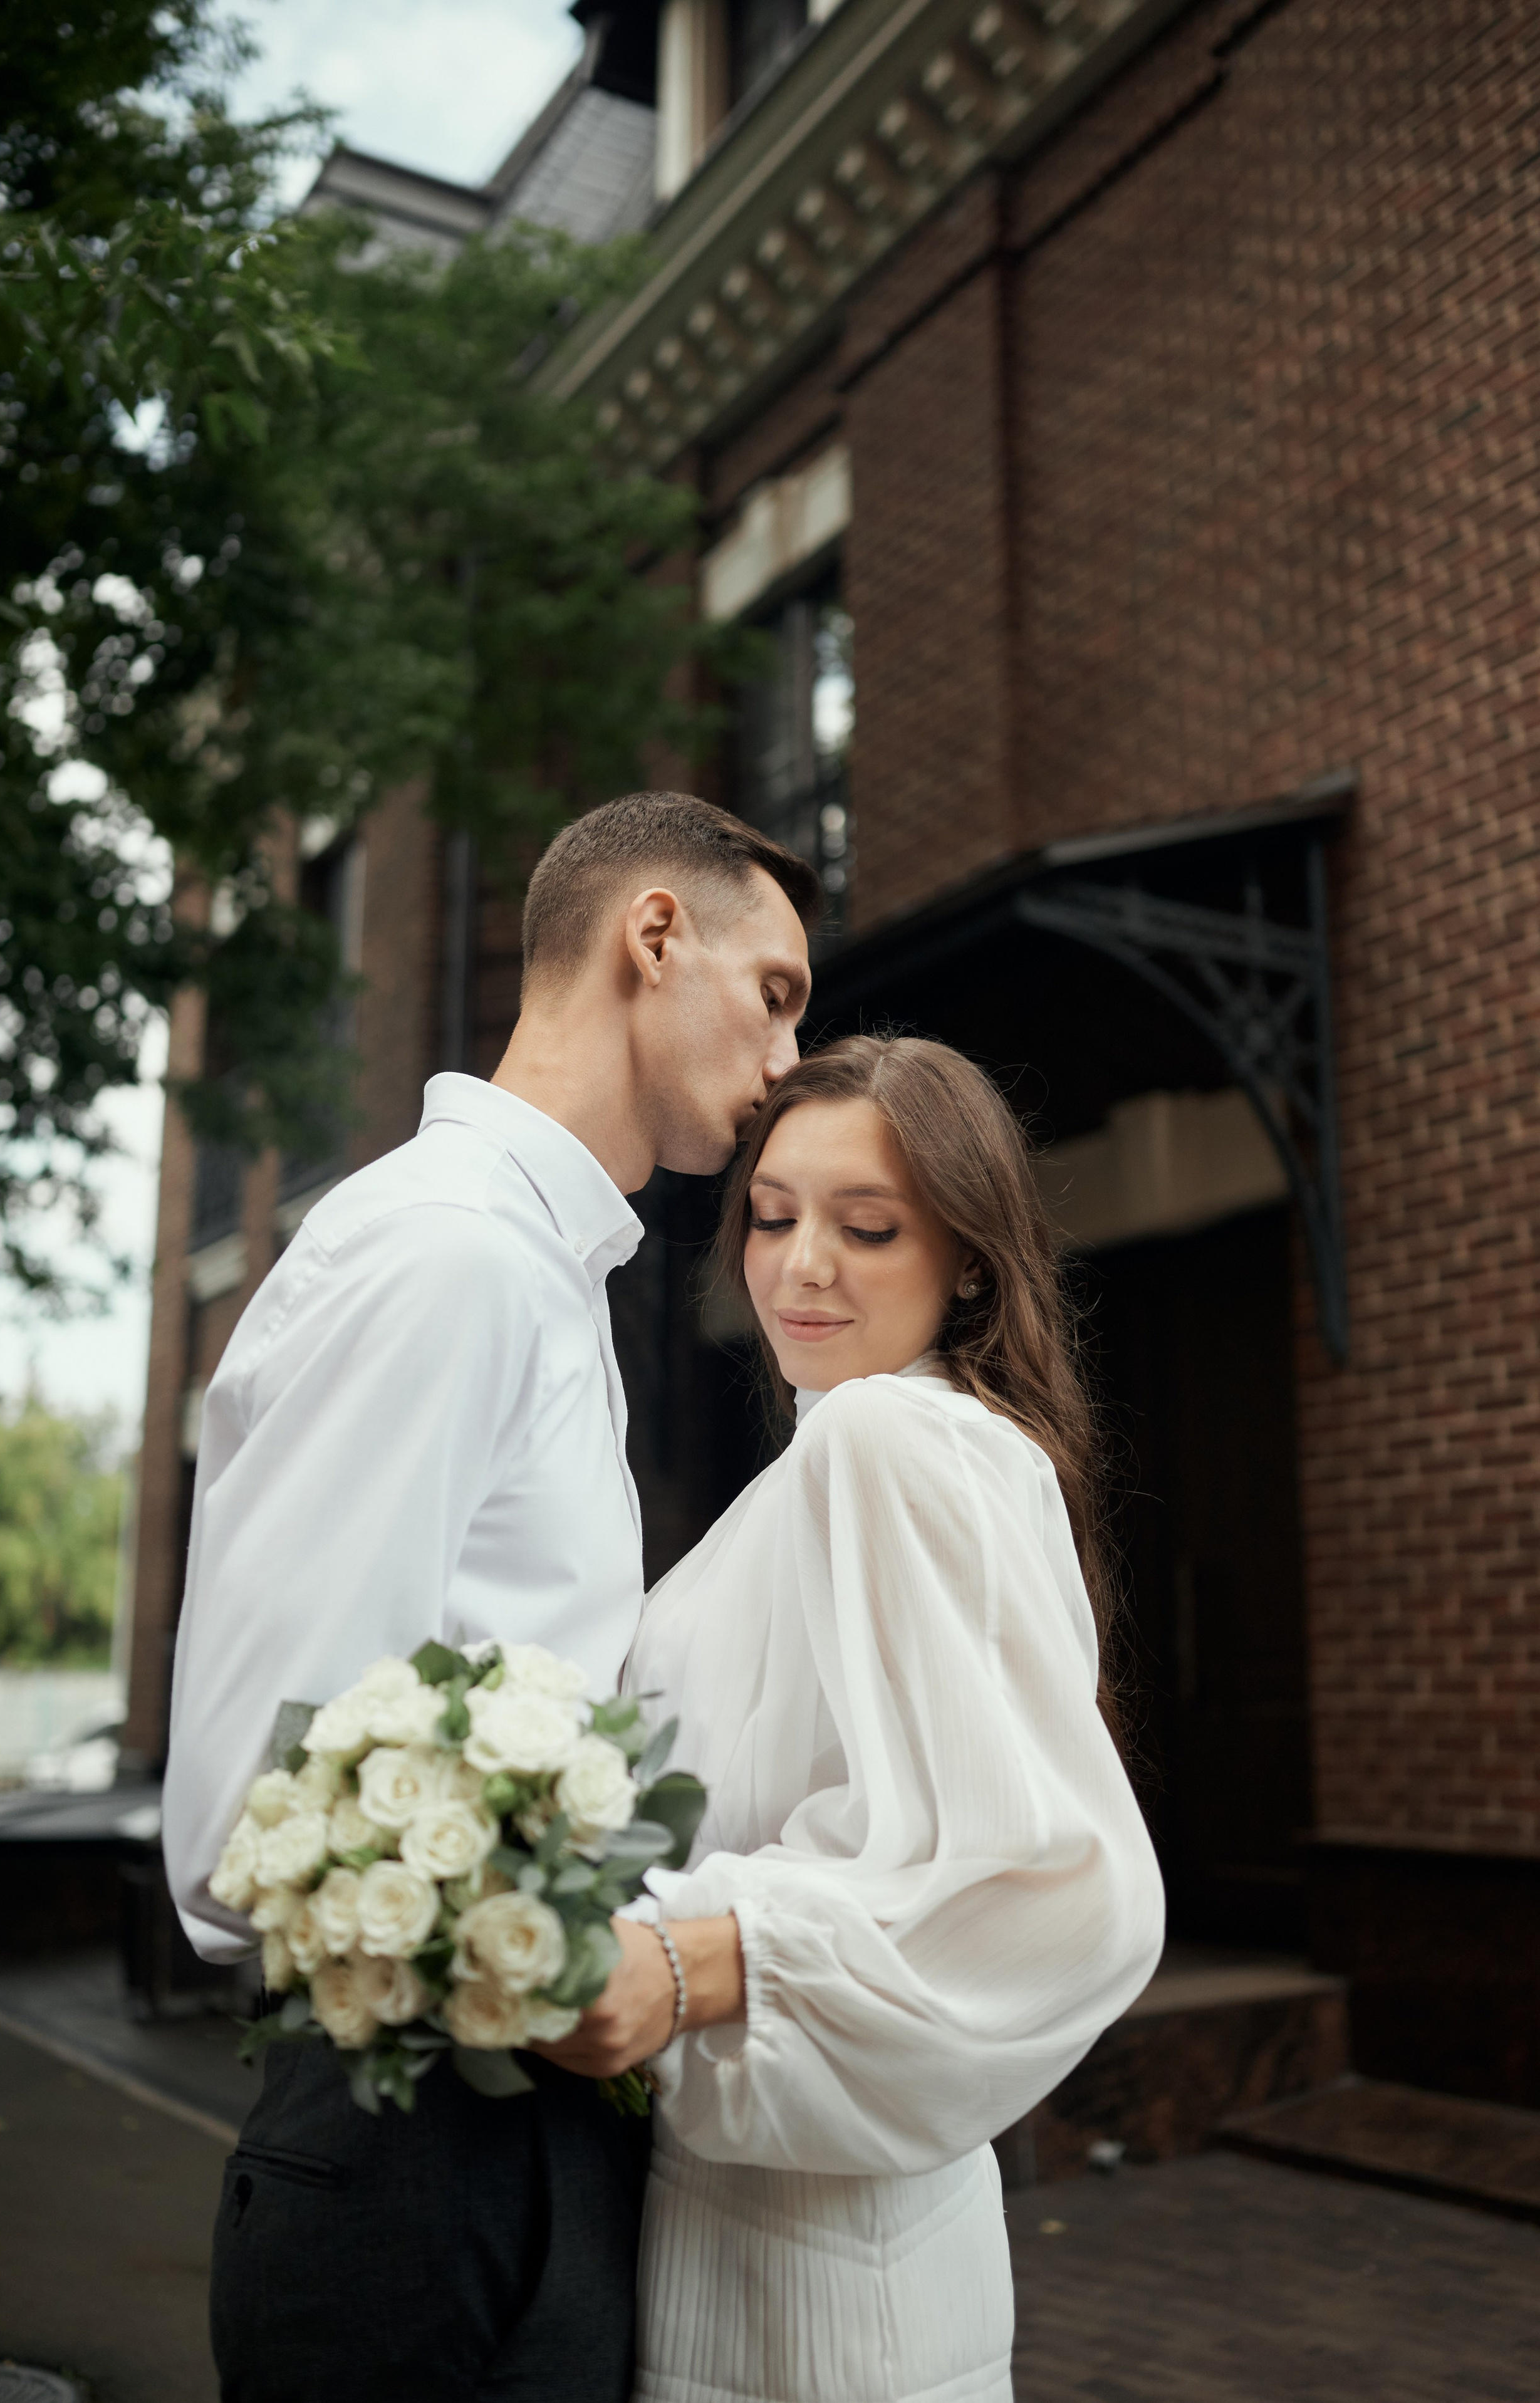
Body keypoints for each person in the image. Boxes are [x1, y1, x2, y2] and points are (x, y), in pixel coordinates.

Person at [162, 792, 818, 2403]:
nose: (787, 1058)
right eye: (775, 995)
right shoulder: (449, 1254)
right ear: (651, 936)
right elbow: (262, 1794)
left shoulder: (540, 1270)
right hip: (414, 2158)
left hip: (511, 2135)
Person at [535, 1035, 1166, 2403]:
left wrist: (688, 1964)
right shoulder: (860, 1453)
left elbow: (1056, 1884)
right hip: (772, 2195)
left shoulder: (889, 1440)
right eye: (771, 1218)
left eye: (865, 1228)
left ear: (969, 1262)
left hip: (824, 2253)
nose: (800, 1266)